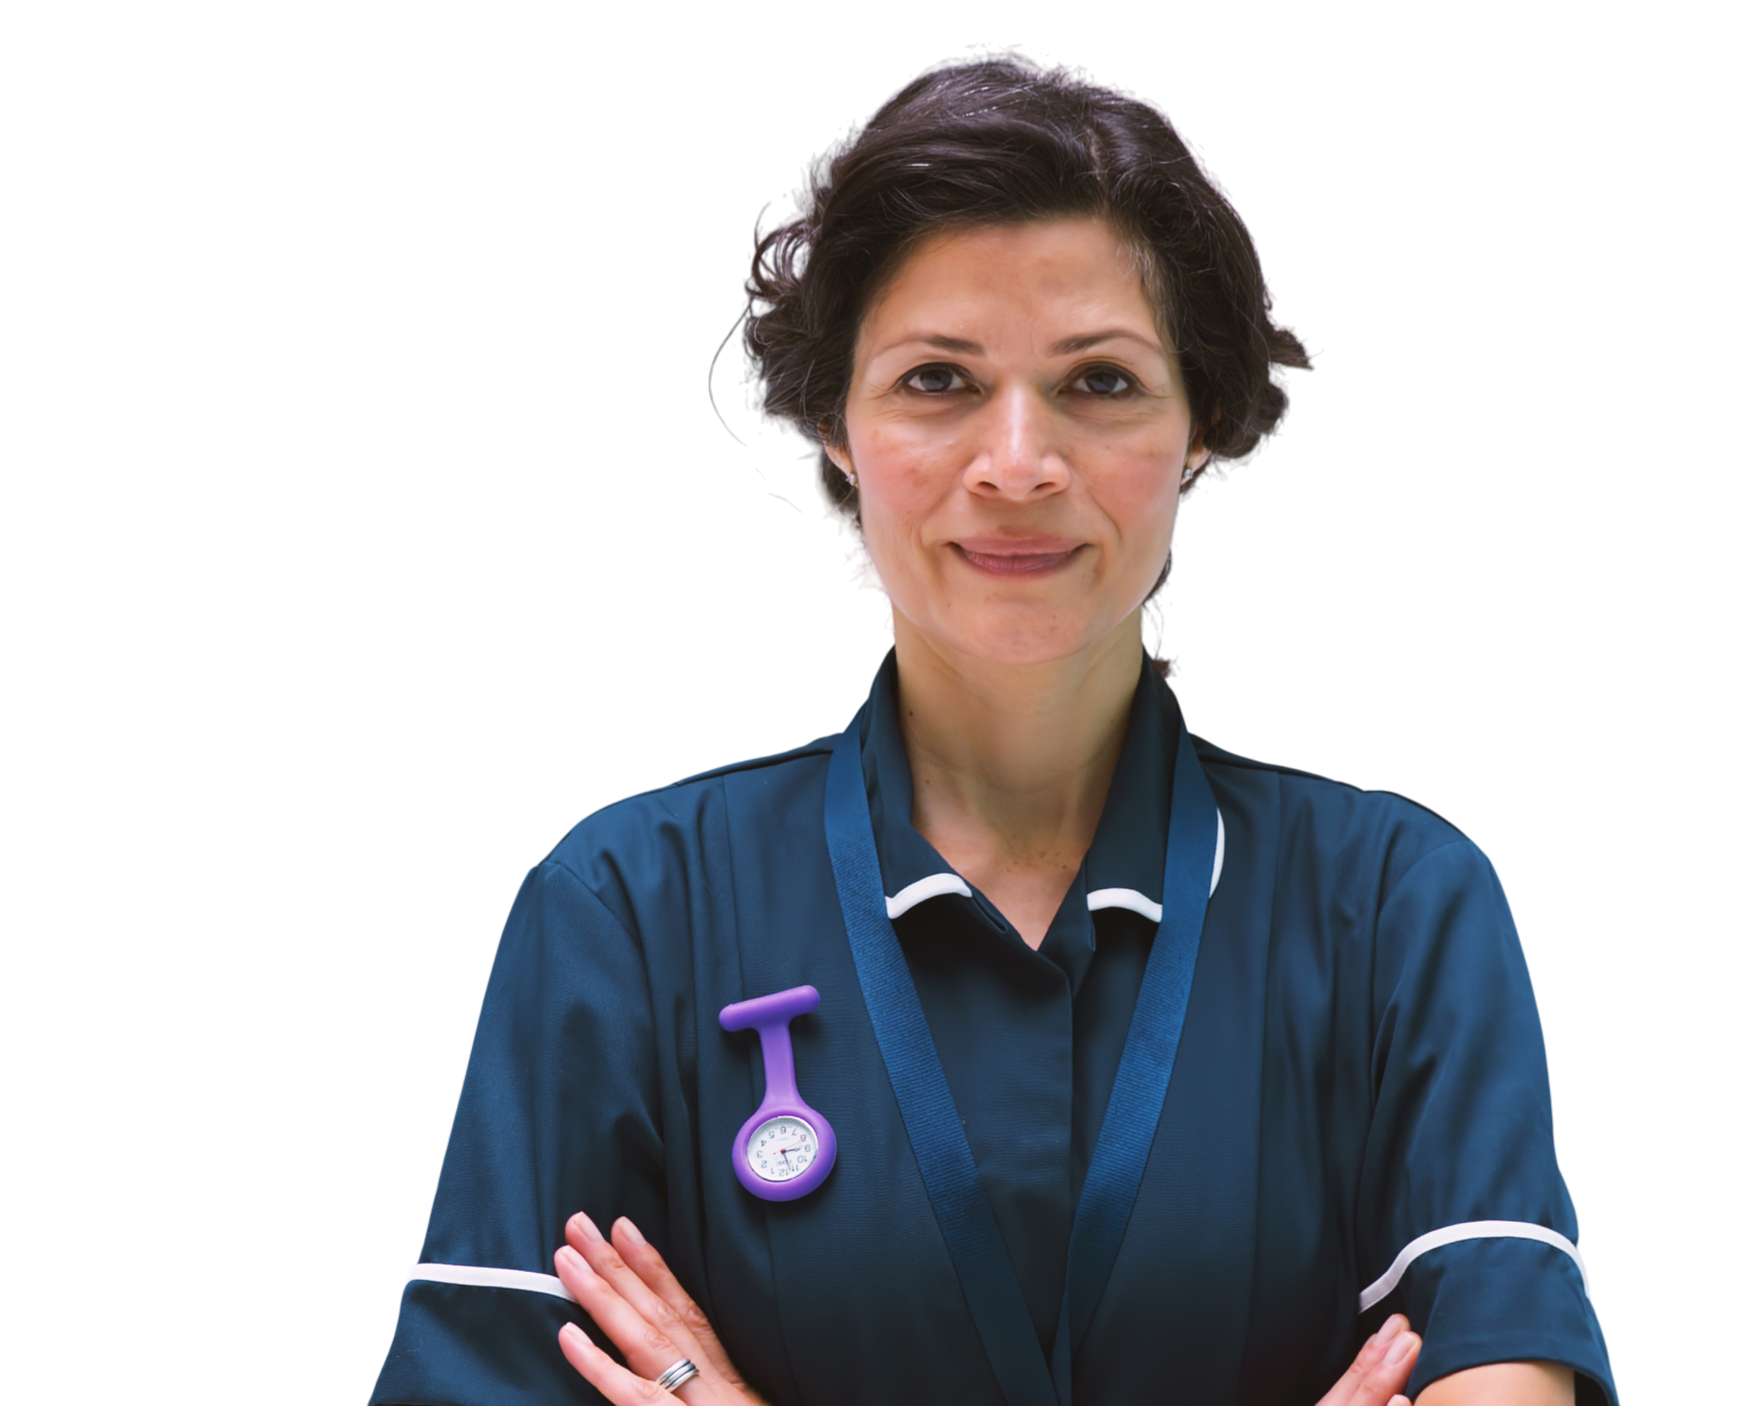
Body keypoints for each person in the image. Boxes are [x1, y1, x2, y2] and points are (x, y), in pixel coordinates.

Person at [369, 49, 1617, 1406]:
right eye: (935, 381)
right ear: (832, 428)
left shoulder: (1399, 906)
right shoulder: (624, 908)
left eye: (1100, 383)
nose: (1018, 462)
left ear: (1202, 429)